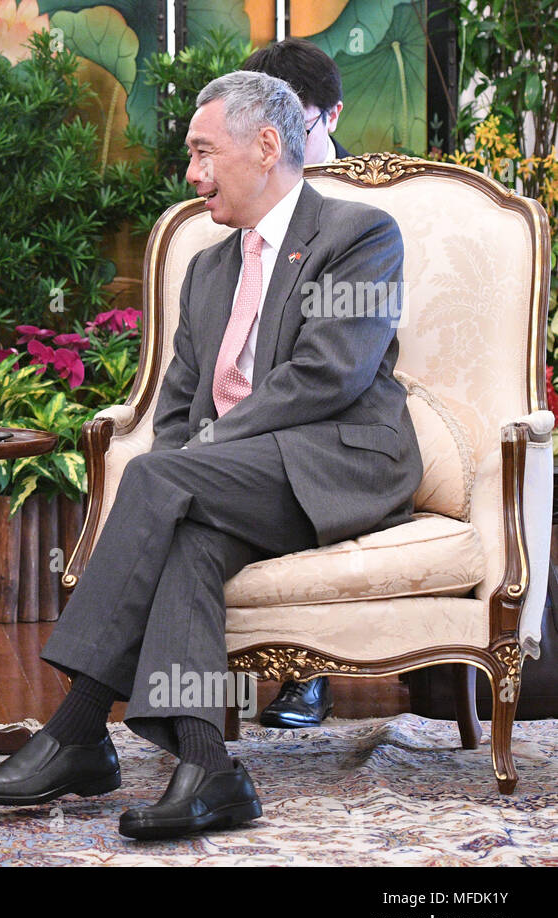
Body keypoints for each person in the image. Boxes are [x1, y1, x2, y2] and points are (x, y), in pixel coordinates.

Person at [0, 71, 420, 840]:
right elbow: (176, 411)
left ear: (267, 146)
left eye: (204, 153)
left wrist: (193, 457)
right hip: (233, 478)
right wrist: (188, 460)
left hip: (339, 462)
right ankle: (209, 769)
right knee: (187, 536)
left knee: (163, 477)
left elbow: (330, 373)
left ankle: (75, 730)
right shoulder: (208, 269)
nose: (192, 174)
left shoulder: (361, 235)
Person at [245, 35, 350, 726]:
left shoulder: (386, 202)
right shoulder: (248, 196)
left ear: (332, 118)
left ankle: (305, 671)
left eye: (299, 127)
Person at [244, 37, 348, 165]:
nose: (278, 151)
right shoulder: (231, 182)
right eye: (265, 137)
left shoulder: (367, 183)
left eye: (296, 133)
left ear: (332, 116)